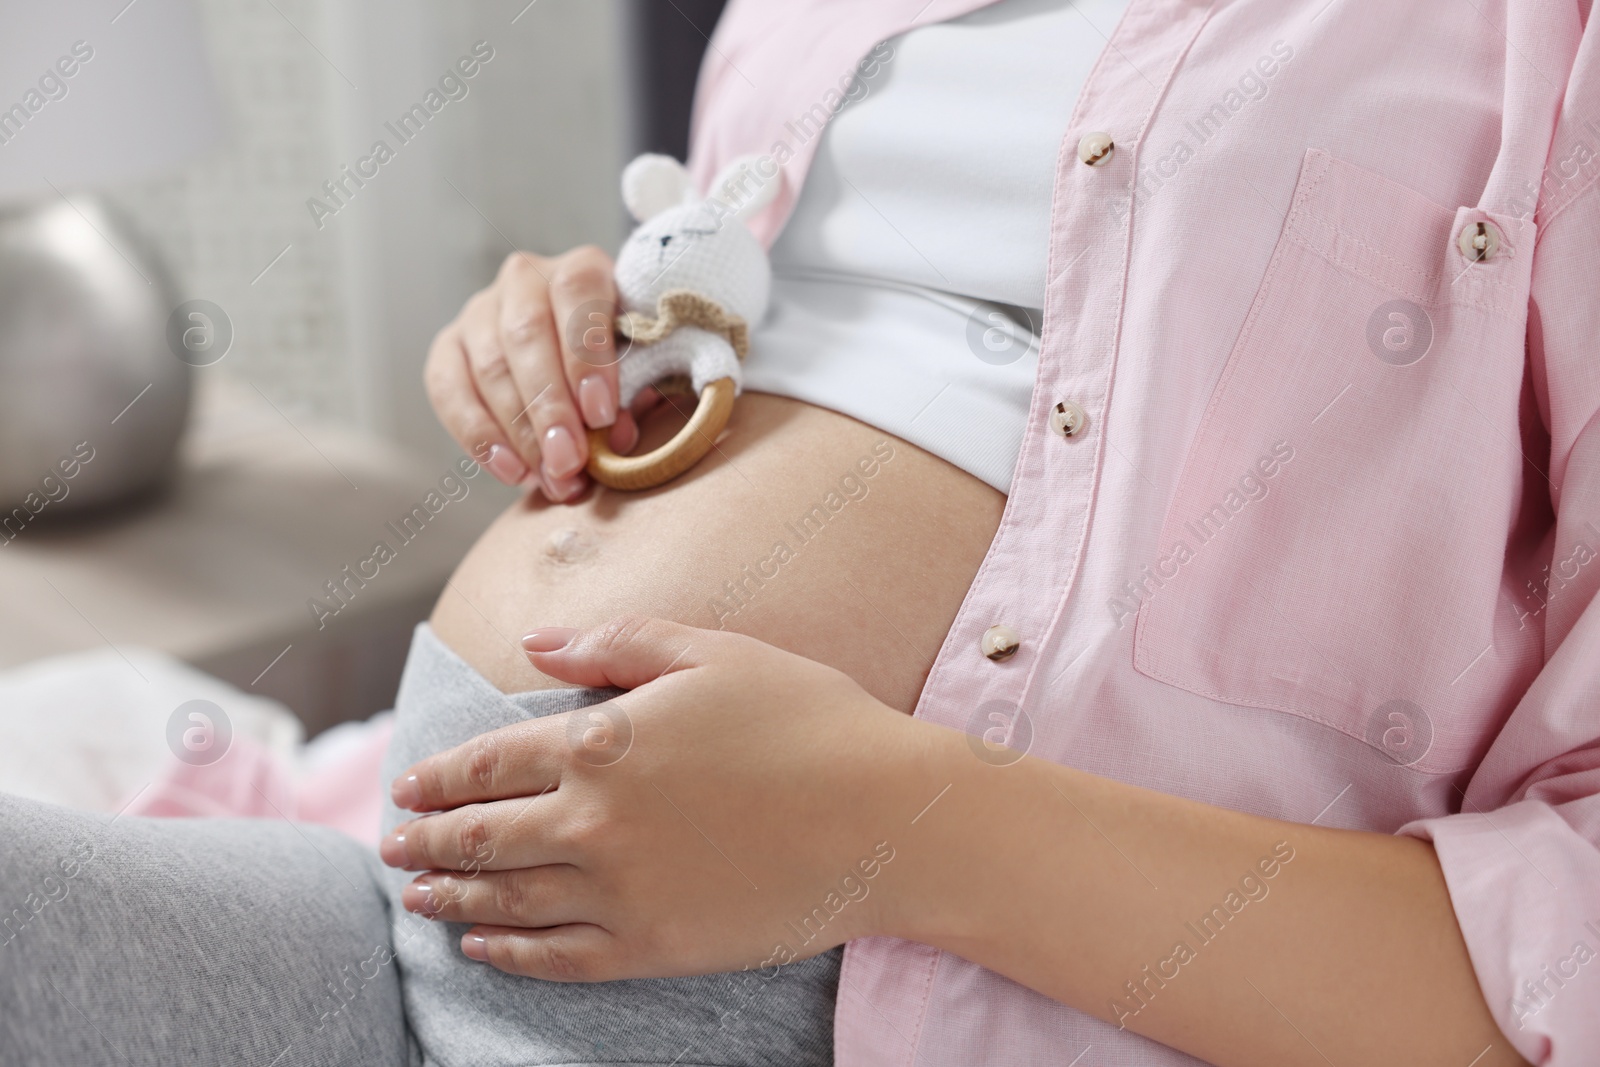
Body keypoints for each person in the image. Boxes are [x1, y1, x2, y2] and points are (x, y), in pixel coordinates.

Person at [3, 1, 1597, 1065]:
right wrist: (570, 333)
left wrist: (900, 831)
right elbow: (785, 322)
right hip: (426, 900)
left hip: (856, 1003)